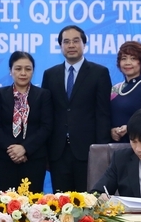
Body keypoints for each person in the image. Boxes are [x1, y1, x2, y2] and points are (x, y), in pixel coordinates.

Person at [42, 25, 112, 192]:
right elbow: (46, 115)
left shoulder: (99, 73)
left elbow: (103, 114)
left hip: (87, 151)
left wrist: (100, 151)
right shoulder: (50, 74)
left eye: (75, 41)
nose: (71, 45)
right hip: (58, 151)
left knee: (87, 204)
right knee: (60, 204)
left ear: (84, 44)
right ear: (61, 46)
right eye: (66, 42)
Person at [0, 51, 53, 192]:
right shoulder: (0, 94)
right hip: (5, 159)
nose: (23, 73)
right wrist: (13, 150)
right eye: (18, 68)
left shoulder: (43, 95)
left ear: (33, 71)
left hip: (34, 159)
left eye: (28, 69)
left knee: (33, 207)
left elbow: (46, 127)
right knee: (4, 206)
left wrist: (25, 149)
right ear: (10, 71)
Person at [110, 41, 141, 143]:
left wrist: (129, 128)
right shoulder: (115, 88)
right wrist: (111, 130)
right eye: (124, 58)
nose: (128, 62)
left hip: (138, 147)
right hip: (113, 147)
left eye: (133, 58)